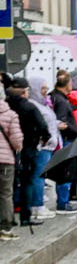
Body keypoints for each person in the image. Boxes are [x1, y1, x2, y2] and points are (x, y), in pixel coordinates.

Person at [7, 74, 51, 227]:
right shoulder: (30, 107)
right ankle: (25, 216)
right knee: (27, 182)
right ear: (24, 92)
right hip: (28, 149)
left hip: (8, 149)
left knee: (9, 185)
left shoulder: (5, 106)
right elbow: (42, 126)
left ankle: (9, 217)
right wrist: (44, 139)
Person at [47, 73, 77, 213]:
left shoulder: (55, 97)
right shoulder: (61, 101)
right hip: (66, 140)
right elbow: (61, 121)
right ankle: (63, 202)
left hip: (62, 139)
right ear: (67, 84)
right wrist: (71, 128)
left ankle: (64, 200)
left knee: (63, 171)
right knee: (65, 171)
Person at [0, 92, 19, 241]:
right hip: (5, 161)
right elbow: (16, 140)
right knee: (5, 193)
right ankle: (5, 228)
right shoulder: (10, 114)